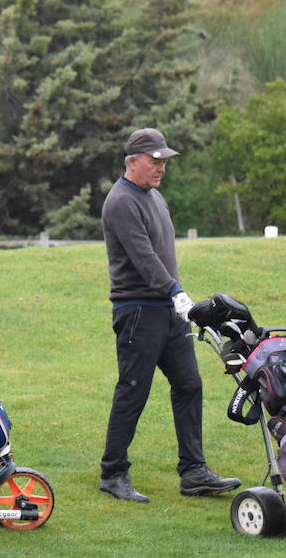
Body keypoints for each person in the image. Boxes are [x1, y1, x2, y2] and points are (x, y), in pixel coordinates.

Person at [98, 128, 240, 503]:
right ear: (133, 161)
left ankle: (193, 472)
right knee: (133, 389)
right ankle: (113, 473)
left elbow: (161, 256)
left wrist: (176, 298)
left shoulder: (154, 198)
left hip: (167, 311)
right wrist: (176, 291)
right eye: (154, 161)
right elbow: (144, 258)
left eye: (164, 161)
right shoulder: (120, 202)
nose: (161, 167)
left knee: (189, 384)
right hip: (138, 311)